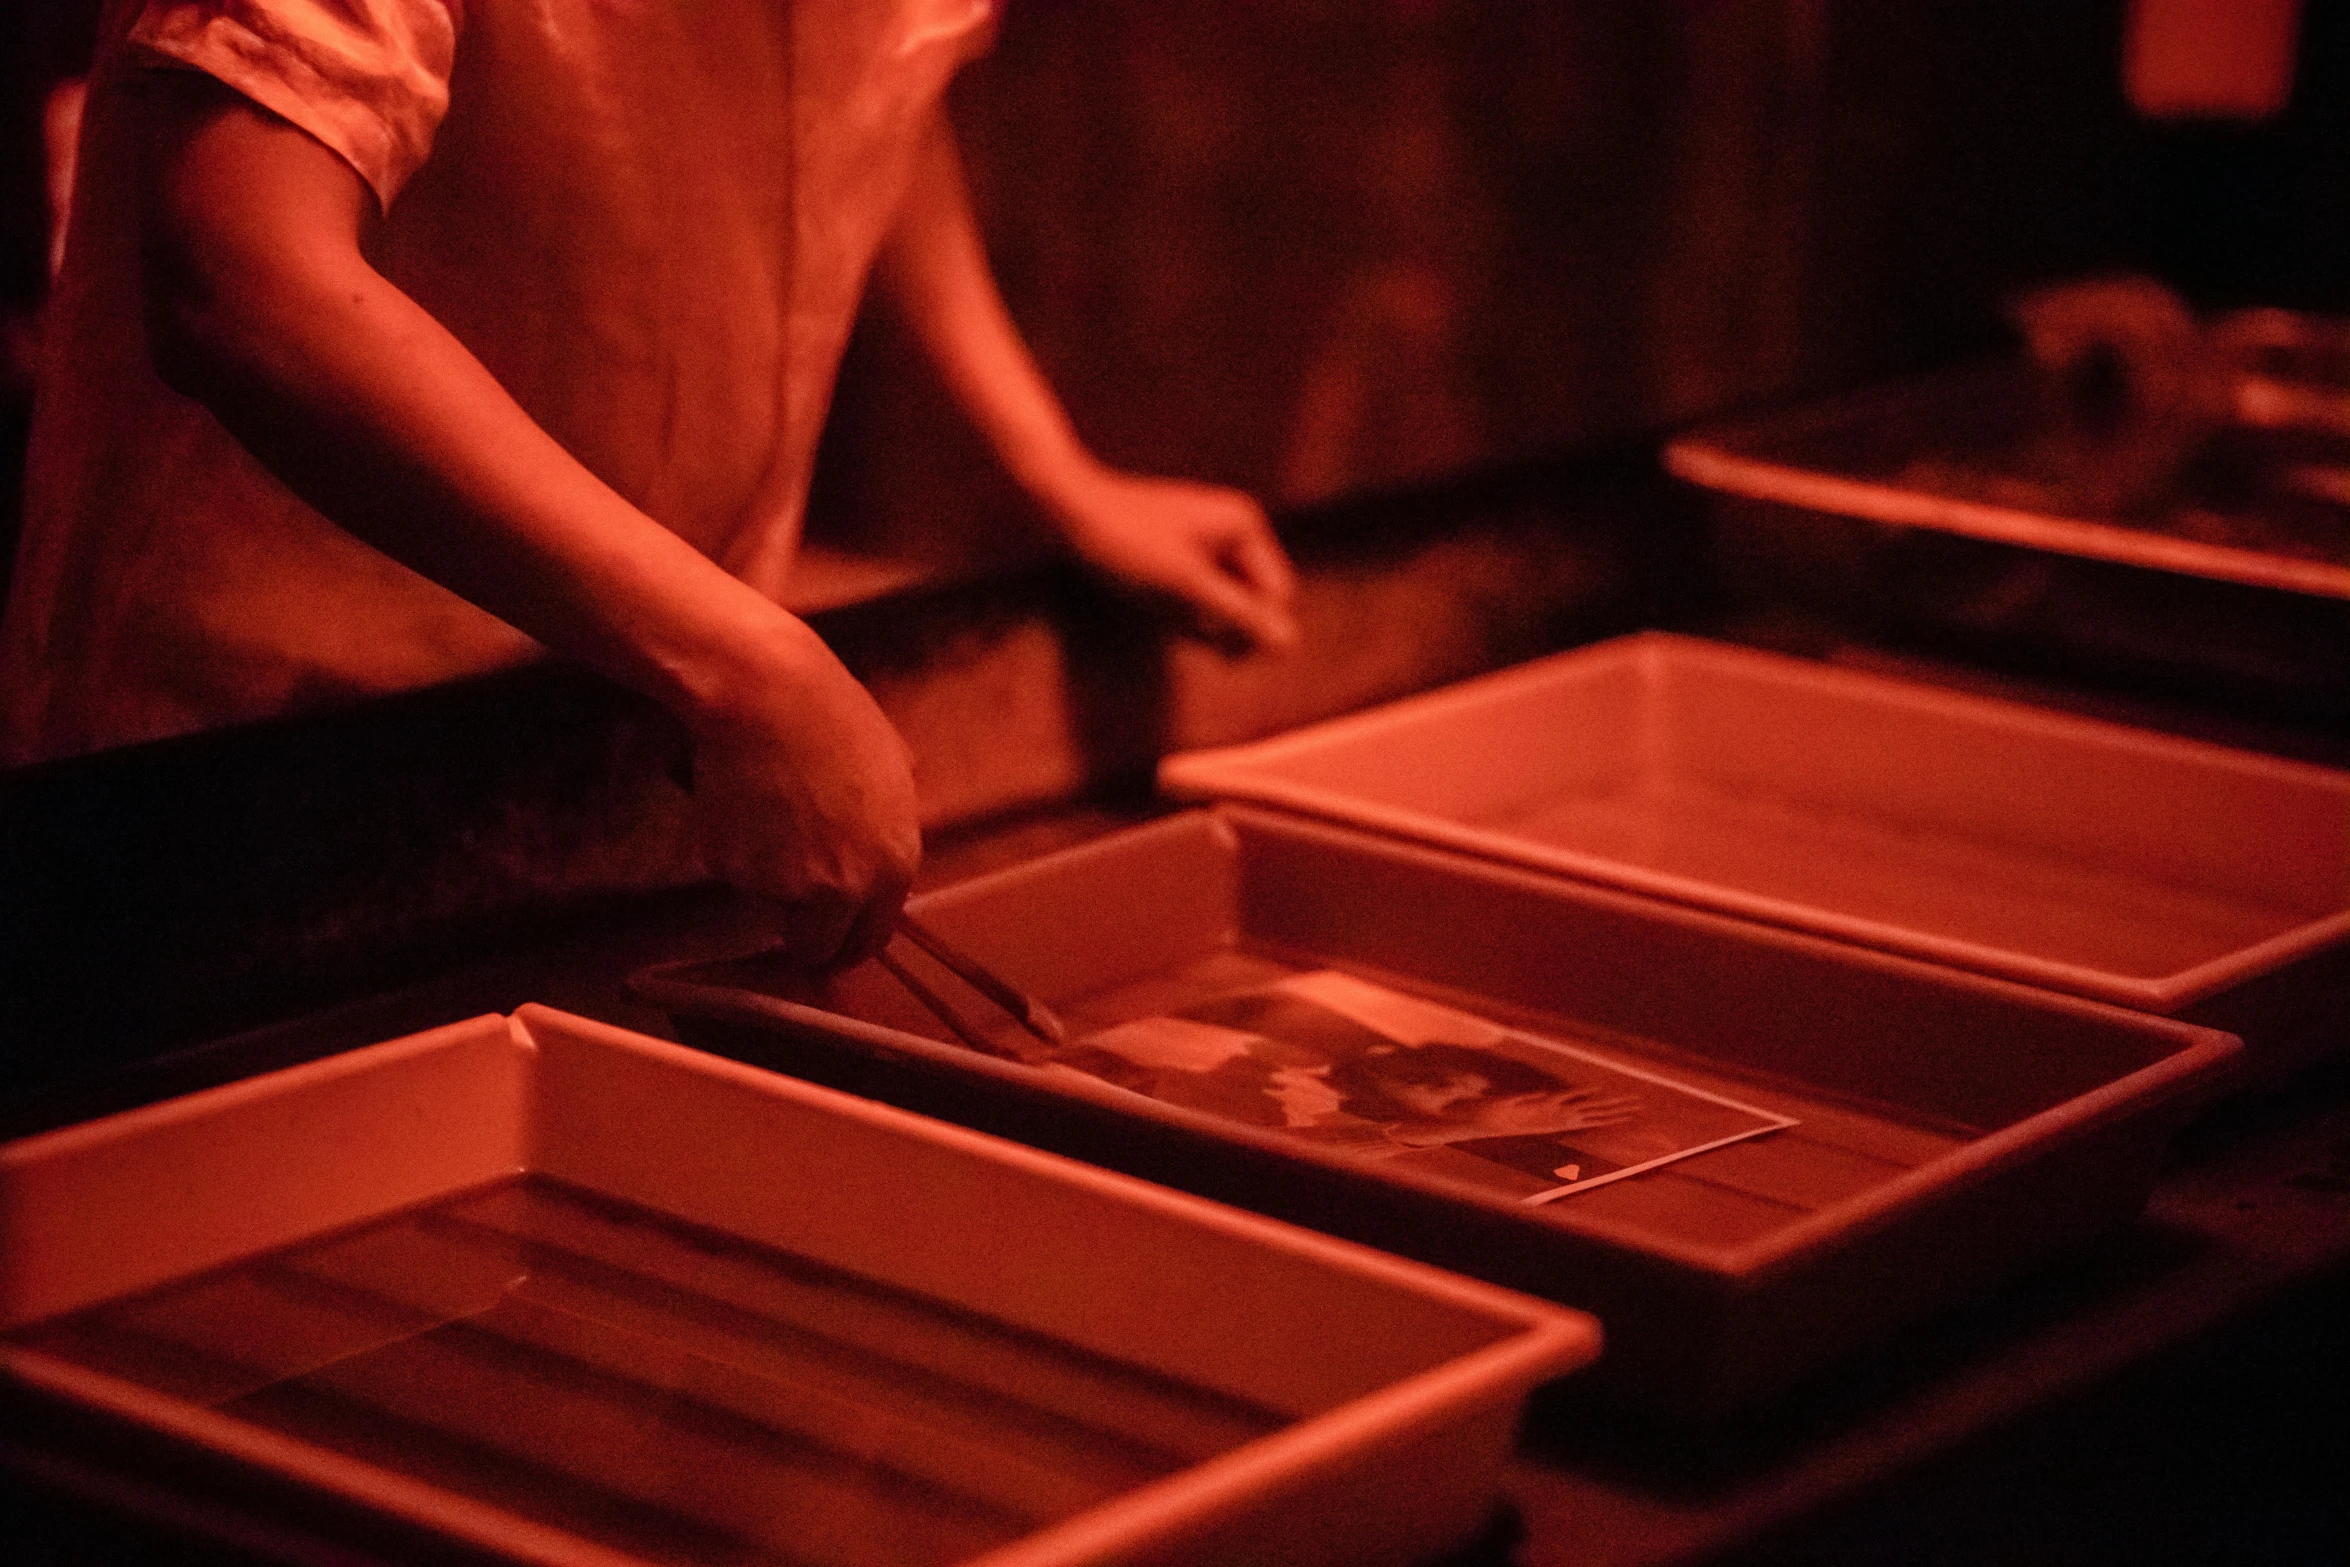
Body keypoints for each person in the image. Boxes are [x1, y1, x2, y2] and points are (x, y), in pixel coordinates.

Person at [0, 0, 1298, 970]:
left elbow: (881, 96)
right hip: (256, 778)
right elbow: (239, 274)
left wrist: (1051, 465)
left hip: (647, 726)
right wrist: (745, 666)